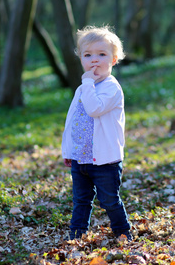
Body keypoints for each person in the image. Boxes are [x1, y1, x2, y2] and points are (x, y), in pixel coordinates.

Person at [62, 25, 132, 241]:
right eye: (88, 55)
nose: (94, 60)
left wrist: (88, 83)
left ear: (113, 59)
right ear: (81, 59)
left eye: (101, 55)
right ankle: (76, 236)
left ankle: (122, 232)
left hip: (105, 160)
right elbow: (72, 121)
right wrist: (68, 150)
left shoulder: (111, 87)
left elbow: (94, 109)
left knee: (109, 200)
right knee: (81, 200)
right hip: (80, 158)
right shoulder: (83, 88)